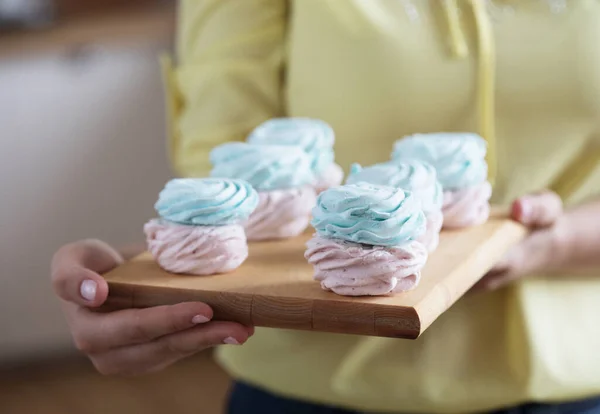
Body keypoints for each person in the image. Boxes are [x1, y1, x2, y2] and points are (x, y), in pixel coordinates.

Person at [51, 1, 600, 413]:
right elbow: (229, 180)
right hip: (307, 389)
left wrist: (557, 241)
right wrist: (138, 280)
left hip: (572, 382)